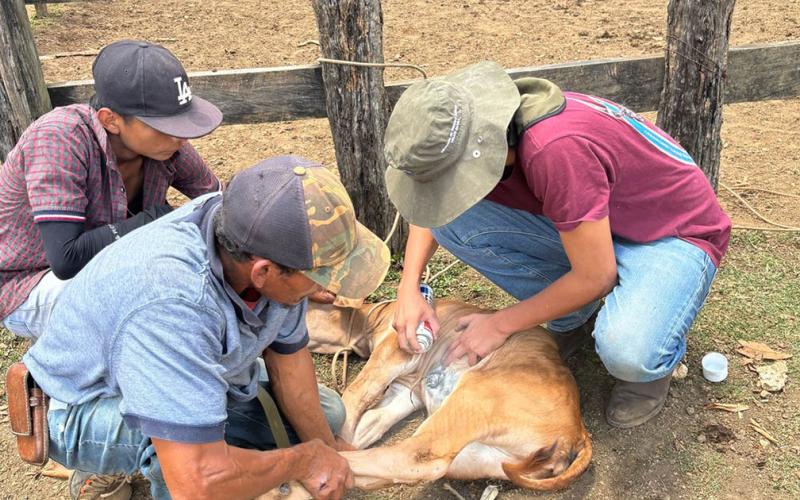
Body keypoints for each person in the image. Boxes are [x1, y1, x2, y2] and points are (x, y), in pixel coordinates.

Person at [383, 62, 731, 429]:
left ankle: (651, 368)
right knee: (452, 223)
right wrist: (409, 287)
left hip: (668, 232)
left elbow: (596, 276)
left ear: (475, 157)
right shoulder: (483, 128)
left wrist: (501, 324)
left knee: (627, 349)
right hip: (596, 222)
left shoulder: (556, 151)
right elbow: (431, 210)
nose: (442, 189)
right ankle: (575, 320)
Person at [22, 156, 390, 499]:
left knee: (327, 417)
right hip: (79, 405)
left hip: (170, 365)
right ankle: (106, 465)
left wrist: (323, 450)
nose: (327, 288)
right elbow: (197, 479)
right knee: (190, 462)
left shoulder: (264, 242)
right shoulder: (174, 302)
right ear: (263, 272)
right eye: (321, 276)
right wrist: (302, 461)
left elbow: (289, 365)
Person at [0, 40, 223, 341]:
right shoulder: (59, 138)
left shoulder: (167, 145)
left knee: (205, 281)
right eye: (165, 125)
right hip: (30, 281)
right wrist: (156, 221)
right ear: (111, 120)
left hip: (115, 266)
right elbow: (66, 259)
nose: (180, 136)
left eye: (180, 122)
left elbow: (218, 203)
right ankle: (56, 375)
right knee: (160, 300)